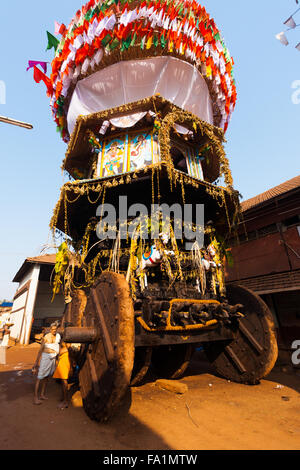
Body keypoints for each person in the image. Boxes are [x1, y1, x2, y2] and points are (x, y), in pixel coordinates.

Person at [32, 322, 61, 405]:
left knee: (47, 377)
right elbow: (40, 350)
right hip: (45, 358)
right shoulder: (46, 337)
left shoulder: (58, 336)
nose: (54, 331)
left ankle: (42, 395)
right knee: (39, 377)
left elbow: (57, 347)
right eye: (52, 329)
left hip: (52, 359)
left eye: (55, 329)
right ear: (50, 329)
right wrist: (36, 362)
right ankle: (35, 398)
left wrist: (57, 360)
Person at [53, 341, 71, 409]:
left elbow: (60, 352)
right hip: (63, 363)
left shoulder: (67, 347)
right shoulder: (65, 347)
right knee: (63, 382)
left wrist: (61, 349)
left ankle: (65, 402)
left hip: (64, 364)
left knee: (64, 382)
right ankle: (63, 398)